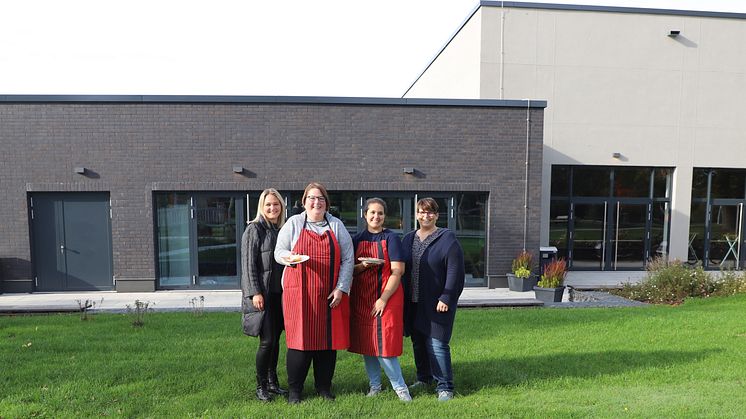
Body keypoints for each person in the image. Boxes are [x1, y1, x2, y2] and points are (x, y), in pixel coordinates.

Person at [274, 182, 354, 404]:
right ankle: (295, 391)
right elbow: (279, 252)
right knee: (299, 341)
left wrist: (341, 288)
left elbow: (348, 259)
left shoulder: (336, 225)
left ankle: (324, 388)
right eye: (311, 198)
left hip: (330, 295)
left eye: (320, 198)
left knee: (327, 343)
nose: (316, 202)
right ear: (304, 201)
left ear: (326, 203)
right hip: (298, 293)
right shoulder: (294, 223)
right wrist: (287, 258)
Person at [402, 197, 465, 402]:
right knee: (418, 342)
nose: (425, 215)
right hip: (413, 301)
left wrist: (447, 296)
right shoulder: (408, 238)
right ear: (417, 215)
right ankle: (424, 378)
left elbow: (455, 271)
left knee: (437, 343)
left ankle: (445, 386)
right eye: (421, 212)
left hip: (437, 302)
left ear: (437, 215)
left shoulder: (447, 239)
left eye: (430, 212)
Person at [349, 198, 412, 402]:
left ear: (385, 216)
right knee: (369, 346)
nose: (376, 217)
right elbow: (350, 270)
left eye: (381, 213)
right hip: (363, 298)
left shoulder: (392, 238)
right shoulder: (356, 239)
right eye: (372, 213)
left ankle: (401, 389)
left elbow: (398, 271)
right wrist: (364, 266)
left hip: (388, 296)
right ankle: (375, 386)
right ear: (365, 214)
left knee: (385, 346)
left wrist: (383, 299)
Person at [240, 188, 288, 402]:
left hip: (280, 295)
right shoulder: (254, 230)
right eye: (268, 204)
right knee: (267, 341)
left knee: (276, 340)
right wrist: (255, 293)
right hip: (263, 295)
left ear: (281, 207)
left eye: (276, 204)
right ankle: (261, 386)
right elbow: (248, 265)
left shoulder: (282, 230)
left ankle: (272, 382)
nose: (272, 208)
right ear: (262, 206)